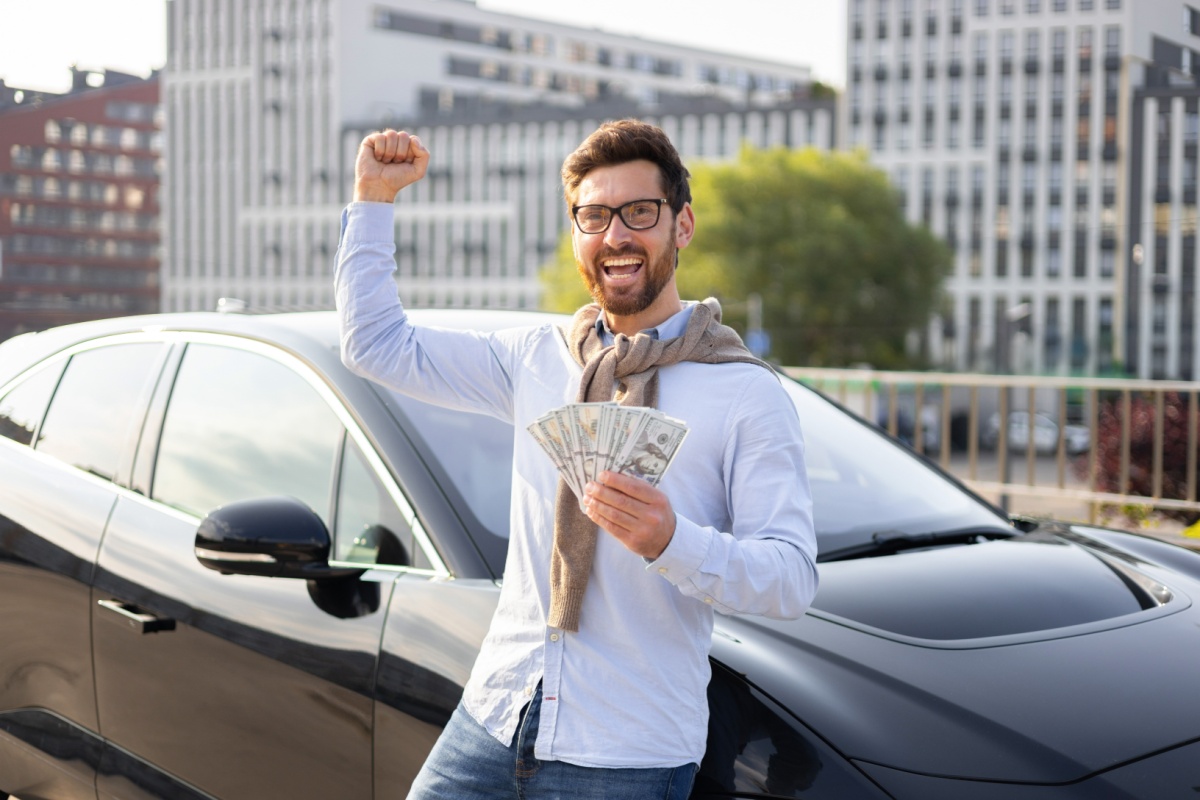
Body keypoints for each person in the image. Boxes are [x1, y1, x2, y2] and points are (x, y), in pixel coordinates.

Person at [335, 119, 818, 799]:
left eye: (639, 213)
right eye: (594, 216)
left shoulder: (744, 393)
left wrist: (673, 542)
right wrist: (374, 200)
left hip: (627, 752)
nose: (615, 235)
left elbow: (791, 580)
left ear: (682, 227)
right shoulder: (537, 358)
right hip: (495, 715)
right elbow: (376, 346)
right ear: (576, 237)